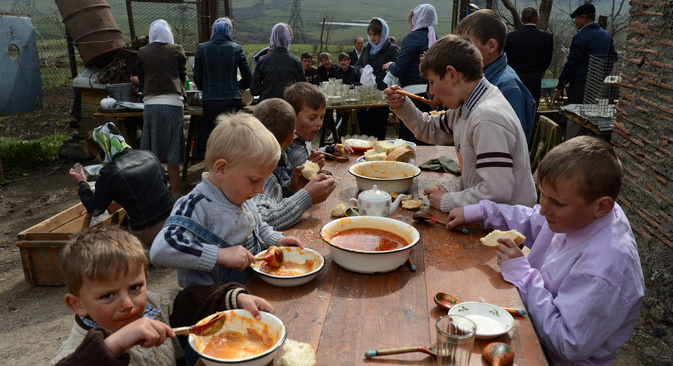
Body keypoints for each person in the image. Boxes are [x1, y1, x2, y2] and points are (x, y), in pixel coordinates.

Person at [445, 136, 644, 365]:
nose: (544, 210)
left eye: (557, 203)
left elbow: (567, 342)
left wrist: (522, 274)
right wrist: (481, 212)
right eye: (543, 195)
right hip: (532, 325)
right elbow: (533, 219)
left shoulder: (603, 267)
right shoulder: (581, 212)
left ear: (602, 206)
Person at [50, 225, 274, 366]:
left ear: (145, 277)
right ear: (77, 304)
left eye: (135, 287)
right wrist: (112, 346)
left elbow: (190, 301)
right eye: (108, 295)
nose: (128, 304)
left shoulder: (154, 307)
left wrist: (236, 299)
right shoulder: (76, 350)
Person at [385, 35, 537, 213]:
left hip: (506, 227)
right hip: (485, 214)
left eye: (432, 82)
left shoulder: (486, 118)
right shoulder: (466, 105)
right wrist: (403, 106)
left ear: (451, 74)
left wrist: (448, 200)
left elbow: (497, 193)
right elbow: (428, 129)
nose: (431, 91)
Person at [150, 113, 303, 286]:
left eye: (263, 181)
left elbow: (258, 227)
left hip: (247, 289)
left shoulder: (241, 196)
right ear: (222, 169)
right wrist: (220, 255)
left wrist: (277, 240)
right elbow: (161, 250)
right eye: (254, 180)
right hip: (210, 303)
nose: (260, 189)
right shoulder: (195, 205)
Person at [68, 122, 174, 255]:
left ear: (103, 149)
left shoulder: (110, 172)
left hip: (148, 229)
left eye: (97, 154)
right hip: (174, 220)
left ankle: (146, 253)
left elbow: (95, 209)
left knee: (117, 243)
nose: (98, 159)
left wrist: (82, 182)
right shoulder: (149, 155)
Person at [455, 9, 537, 145]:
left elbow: (508, 145)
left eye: (466, 44)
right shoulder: (478, 78)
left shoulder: (508, 88)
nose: (459, 51)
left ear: (491, 46)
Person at [252, 98, 336, 229]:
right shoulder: (262, 171)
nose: (319, 123)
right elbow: (260, 220)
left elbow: (273, 201)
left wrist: (291, 189)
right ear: (292, 136)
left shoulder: (268, 160)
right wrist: (306, 197)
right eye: (312, 117)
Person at [135, 19, 186, 199]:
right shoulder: (177, 50)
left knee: (152, 151)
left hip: (150, 103)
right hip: (173, 103)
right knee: (173, 151)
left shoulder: (142, 52)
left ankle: (156, 194)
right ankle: (176, 193)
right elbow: (182, 76)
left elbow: (141, 78)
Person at [191, 17, 252, 160]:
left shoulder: (202, 48)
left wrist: (207, 88)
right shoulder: (236, 49)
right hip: (232, 100)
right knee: (234, 138)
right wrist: (236, 87)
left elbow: (198, 80)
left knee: (211, 137)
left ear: (214, 30)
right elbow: (249, 78)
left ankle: (211, 170)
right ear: (229, 30)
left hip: (210, 101)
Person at [383, 3, 438, 145]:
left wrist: (391, 66)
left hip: (412, 94)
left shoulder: (412, 37)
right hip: (430, 94)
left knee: (410, 140)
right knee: (427, 137)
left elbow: (400, 68)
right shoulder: (433, 37)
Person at [556, 3, 618, 104]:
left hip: (580, 83)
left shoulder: (581, 37)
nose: (575, 22)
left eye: (576, 19)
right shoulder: (605, 35)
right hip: (596, 83)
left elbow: (572, 63)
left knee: (576, 113)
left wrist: (561, 85)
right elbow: (613, 57)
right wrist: (602, 74)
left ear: (584, 18)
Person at [354, 17, 399, 140]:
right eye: (370, 34)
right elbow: (357, 65)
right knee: (364, 132)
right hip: (365, 95)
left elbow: (399, 67)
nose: (373, 37)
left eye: (376, 34)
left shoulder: (391, 49)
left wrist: (391, 66)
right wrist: (361, 70)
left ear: (383, 34)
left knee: (377, 133)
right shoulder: (367, 48)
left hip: (381, 96)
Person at [504, 7, 553, 108]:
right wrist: (538, 71)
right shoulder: (546, 37)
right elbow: (547, 60)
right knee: (532, 109)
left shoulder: (510, 37)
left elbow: (506, 57)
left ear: (522, 19)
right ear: (537, 19)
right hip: (534, 78)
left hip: (514, 78)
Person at [251, 23, 306, 102]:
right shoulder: (296, 62)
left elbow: (254, 91)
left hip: (265, 106)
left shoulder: (262, 61)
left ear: (272, 38)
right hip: (287, 106)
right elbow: (303, 91)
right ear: (288, 39)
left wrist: (266, 90)